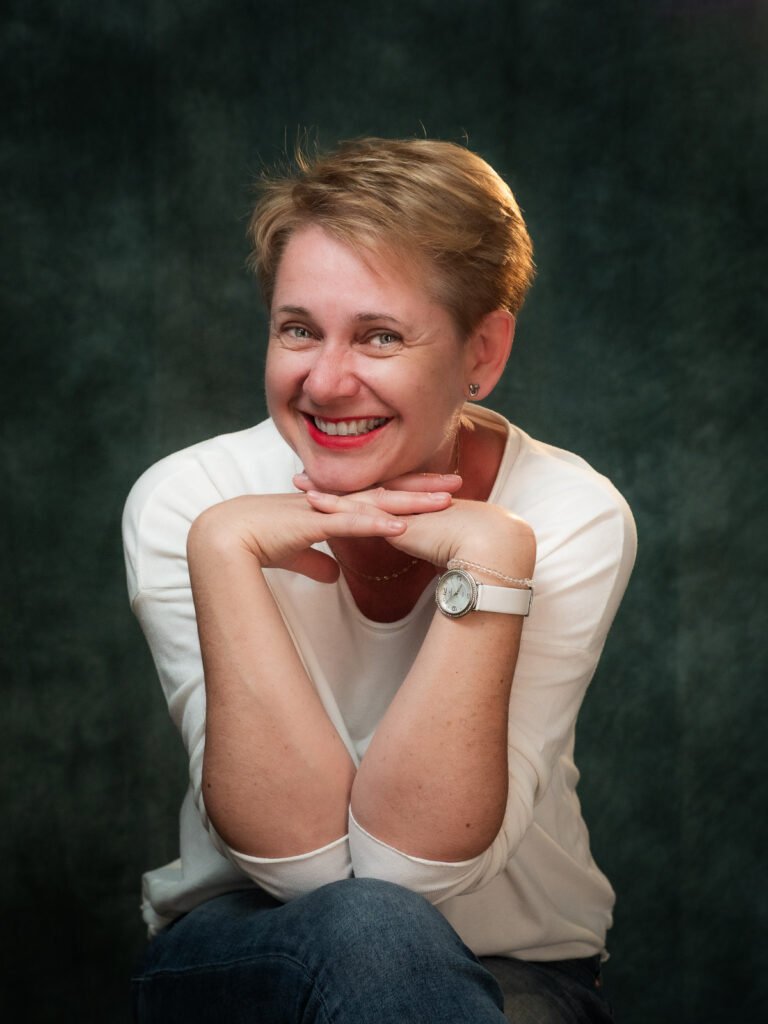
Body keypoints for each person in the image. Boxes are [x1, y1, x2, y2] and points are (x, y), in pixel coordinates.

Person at [124, 137, 636, 1023]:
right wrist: (223, 552)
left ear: (483, 352)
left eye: (380, 336)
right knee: (370, 929)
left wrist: (491, 559)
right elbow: (302, 869)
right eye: (298, 330)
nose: (325, 382)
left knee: (389, 934)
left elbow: (411, 868)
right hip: (244, 949)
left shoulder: (569, 513)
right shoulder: (193, 499)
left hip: (516, 965)